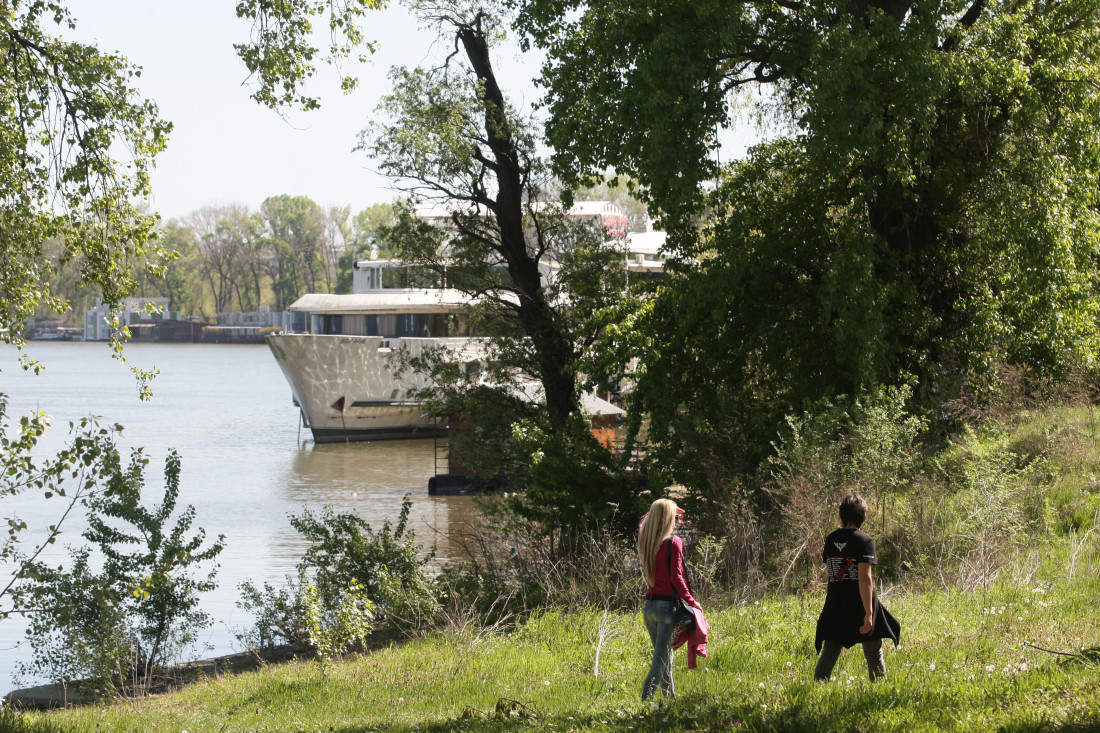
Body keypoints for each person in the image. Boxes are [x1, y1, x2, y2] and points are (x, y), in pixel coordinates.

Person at [814, 494, 901, 681]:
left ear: (842, 514)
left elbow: (834, 573)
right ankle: (879, 690)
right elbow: (864, 578)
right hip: (860, 604)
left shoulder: (831, 539)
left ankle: (817, 689)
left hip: (836, 605)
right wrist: (869, 613)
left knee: (830, 652)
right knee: (873, 653)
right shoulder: (865, 541)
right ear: (862, 515)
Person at [638, 498, 701, 700]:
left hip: (649, 607)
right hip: (667, 608)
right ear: (668, 519)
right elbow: (676, 576)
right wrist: (691, 601)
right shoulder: (673, 542)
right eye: (674, 516)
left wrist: (657, 511)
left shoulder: (647, 541)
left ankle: (669, 700)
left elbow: (644, 520)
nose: (676, 519)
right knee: (660, 659)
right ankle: (644, 702)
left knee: (665, 656)